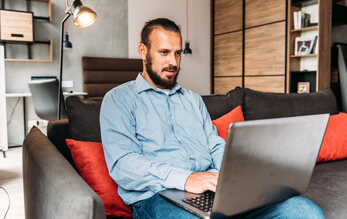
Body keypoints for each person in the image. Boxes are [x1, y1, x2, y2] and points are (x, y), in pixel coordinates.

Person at [100, 18, 325, 219]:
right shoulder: (119, 100)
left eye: (178, 53)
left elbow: (213, 144)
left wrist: (237, 172)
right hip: (158, 195)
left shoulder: (193, 100)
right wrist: (186, 178)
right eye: (164, 52)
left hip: (213, 187)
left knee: (306, 212)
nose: (174, 62)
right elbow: (123, 164)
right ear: (143, 51)